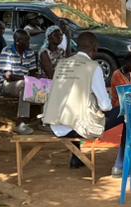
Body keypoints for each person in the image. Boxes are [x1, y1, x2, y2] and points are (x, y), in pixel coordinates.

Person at [42, 32, 126, 172]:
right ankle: (120, 164)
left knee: (78, 108)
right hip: (78, 128)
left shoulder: (61, 64)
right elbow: (105, 106)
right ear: (95, 48)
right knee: (125, 113)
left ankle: (76, 157)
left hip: (56, 126)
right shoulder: (92, 67)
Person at [0, 29, 40, 134]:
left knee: (45, 85)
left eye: (28, 40)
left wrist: (40, 78)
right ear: (17, 41)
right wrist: (27, 79)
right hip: (6, 85)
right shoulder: (7, 51)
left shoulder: (29, 52)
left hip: (25, 83)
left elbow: (33, 72)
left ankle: (45, 121)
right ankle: (22, 123)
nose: (29, 43)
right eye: (26, 40)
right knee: (25, 85)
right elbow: (8, 76)